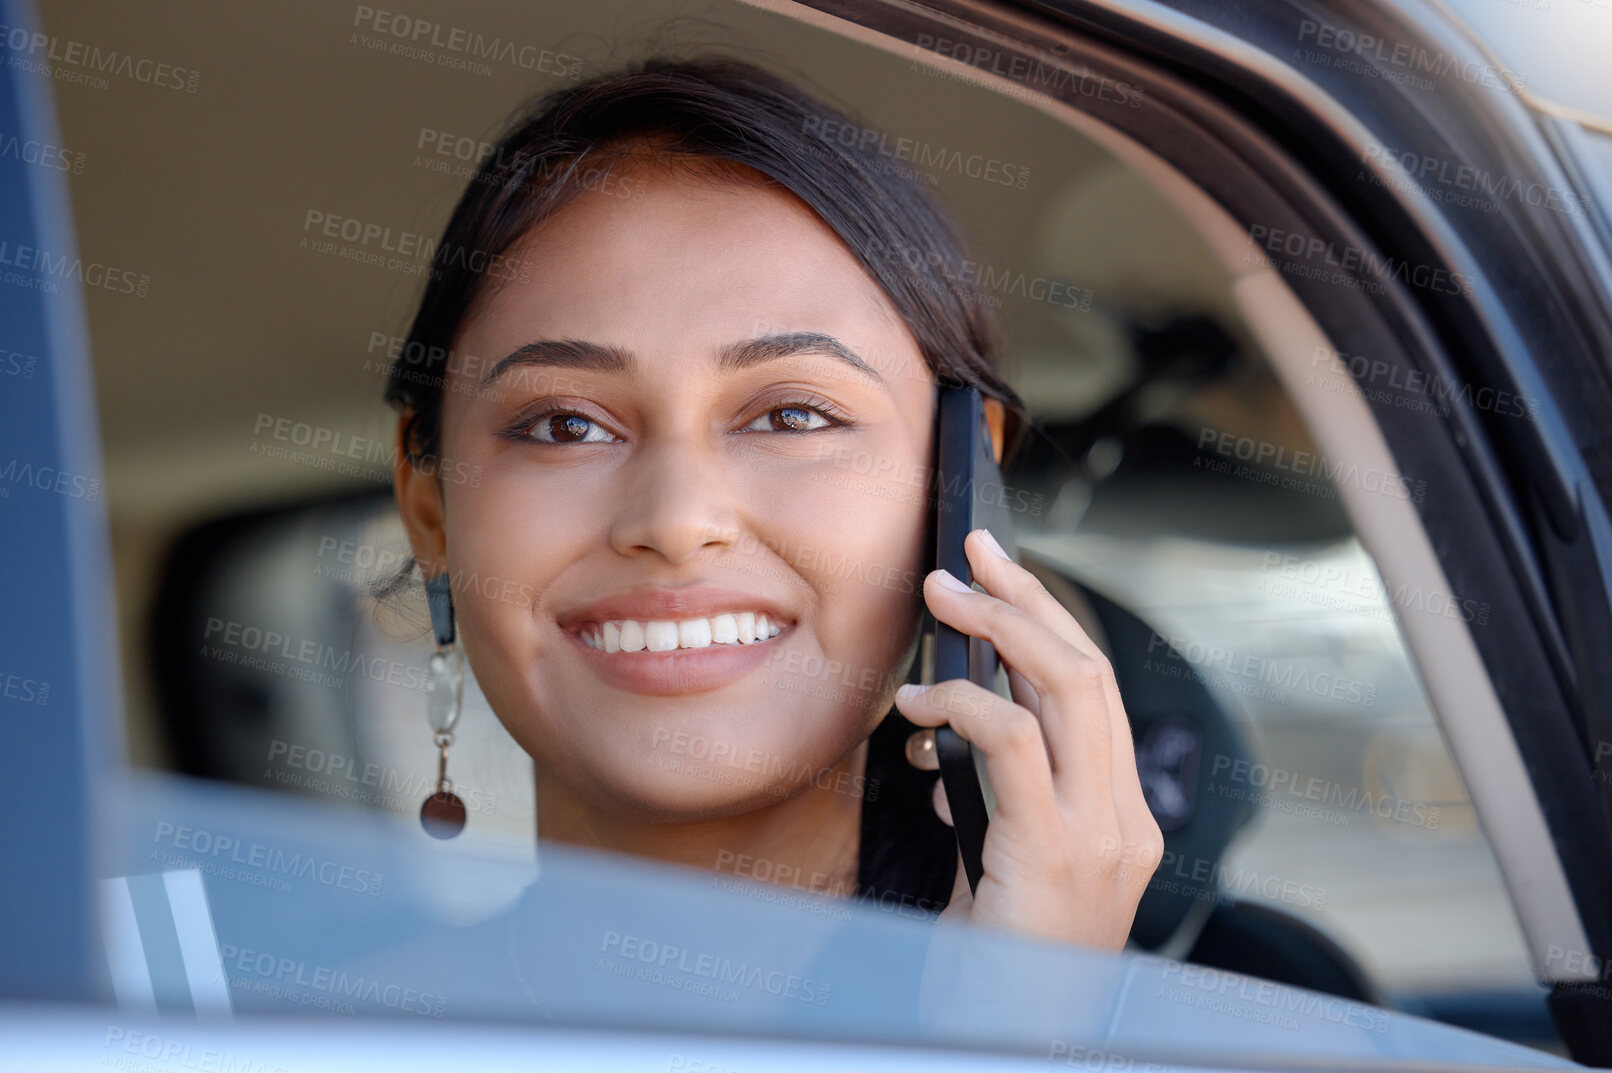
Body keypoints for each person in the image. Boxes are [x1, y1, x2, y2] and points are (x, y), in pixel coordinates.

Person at [386, 55, 1160, 954]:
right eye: (564, 426)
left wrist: (1033, 1044)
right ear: (430, 507)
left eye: (791, 415)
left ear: (961, 481)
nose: (675, 522)